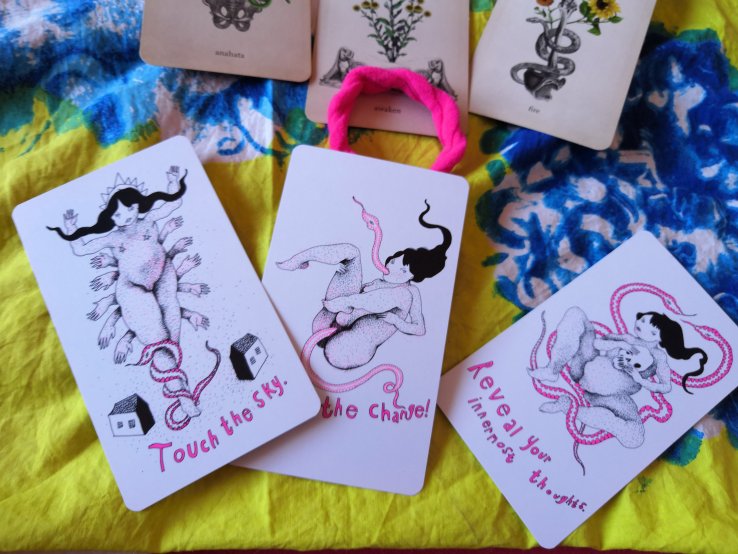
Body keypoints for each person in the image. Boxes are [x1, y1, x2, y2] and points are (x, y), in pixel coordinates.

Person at [47, 168, 201, 418]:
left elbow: (174, 203)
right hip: (132, 289)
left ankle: (176, 383)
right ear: (110, 217)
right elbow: (81, 249)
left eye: (129, 209)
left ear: (138, 205)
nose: (125, 217)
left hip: (163, 275)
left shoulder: (149, 220)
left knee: (172, 339)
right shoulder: (112, 237)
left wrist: (173, 182)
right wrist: (71, 228)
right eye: (117, 214)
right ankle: (184, 397)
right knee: (158, 341)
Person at [277, 202, 451, 370]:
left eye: (403, 269)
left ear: (413, 276)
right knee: (352, 253)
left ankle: (345, 303)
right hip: (327, 323)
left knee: (401, 295)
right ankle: (298, 260)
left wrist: (396, 321)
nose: (393, 267)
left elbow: (419, 328)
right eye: (394, 261)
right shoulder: (380, 282)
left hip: (347, 348)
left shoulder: (409, 292)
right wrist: (345, 278)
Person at [528, 307, 668, 448]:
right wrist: (619, 344)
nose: (642, 327)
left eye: (652, 331)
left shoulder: (659, 356)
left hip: (610, 395)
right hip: (584, 369)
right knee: (576, 313)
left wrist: (640, 380)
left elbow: (666, 386)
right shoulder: (627, 338)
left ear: (659, 338)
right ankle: (552, 369)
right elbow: (597, 343)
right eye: (642, 321)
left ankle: (568, 407)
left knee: (635, 436)